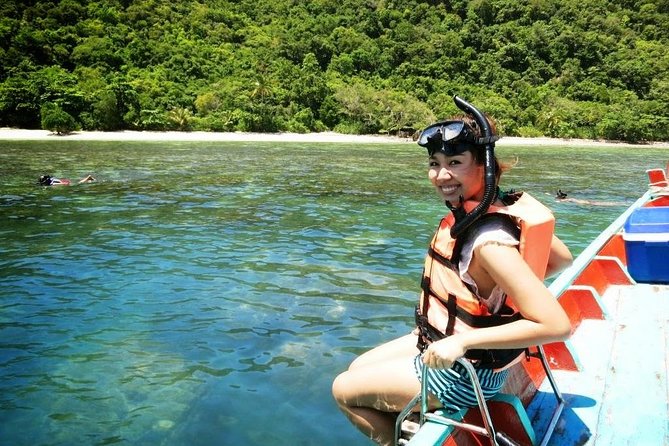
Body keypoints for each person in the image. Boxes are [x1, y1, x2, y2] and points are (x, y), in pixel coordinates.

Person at [332, 97, 573, 446]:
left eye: (455, 163)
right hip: (452, 350)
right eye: (434, 163)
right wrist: (496, 294)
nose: (441, 175)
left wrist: (463, 340)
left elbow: (556, 325)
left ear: (486, 168)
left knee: (342, 390)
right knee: (358, 368)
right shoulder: (489, 211)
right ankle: (417, 419)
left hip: (466, 374)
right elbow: (561, 259)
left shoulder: (489, 243)